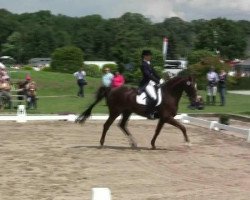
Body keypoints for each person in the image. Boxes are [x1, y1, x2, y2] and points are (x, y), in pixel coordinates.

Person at [139, 50, 161, 119]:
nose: (150, 57)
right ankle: (149, 113)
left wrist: (160, 79)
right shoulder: (143, 64)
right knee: (154, 97)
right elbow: (148, 75)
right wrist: (157, 80)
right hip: (147, 84)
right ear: (145, 56)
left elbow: (154, 73)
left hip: (152, 83)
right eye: (149, 56)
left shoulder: (149, 64)